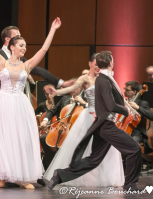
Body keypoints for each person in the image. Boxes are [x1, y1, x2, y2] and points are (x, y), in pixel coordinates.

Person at [0, 10, 61, 189]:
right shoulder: (1, 62)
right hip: (3, 102)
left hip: (20, 103)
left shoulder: (26, 65)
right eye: (21, 45)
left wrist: (52, 29)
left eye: (25, 46)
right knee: (3, 138)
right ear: (12, 46)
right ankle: (3, 176)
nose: (24, 48)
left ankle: (22, 177)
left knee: (21, 138)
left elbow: (43, 49)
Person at [46, 51, 142, 191]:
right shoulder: (103, 80)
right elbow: (110, 105)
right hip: (106, 125)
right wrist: (125, 111)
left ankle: (60, 175)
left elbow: (116, 98)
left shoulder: (104, 79)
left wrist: (129, 108)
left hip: (101, 124)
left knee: (94, 160)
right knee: (134, 149)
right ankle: (131, 185)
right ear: (110, 63)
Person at [39, 78, 87, 170]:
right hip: (62, 129)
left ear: (80, 88)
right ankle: (51, 168)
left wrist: (83, 103)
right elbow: (52, 111)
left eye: (74, 87)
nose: (72, 89)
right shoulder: (65, 99)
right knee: (43, 138)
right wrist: (45, 120)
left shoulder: (85, 99)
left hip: (77, 131)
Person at [124, 81, 153, 154]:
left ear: (134, 92)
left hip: (136, 132)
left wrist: (138, 107)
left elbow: (151, 116)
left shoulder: (142, 103)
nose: (124, 91)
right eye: (124, 89)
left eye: (127, 90)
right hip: (123, 130)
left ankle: (132, 164)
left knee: (131, 142)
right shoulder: (122, 102)